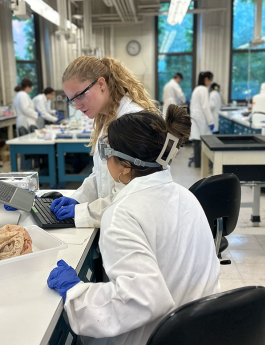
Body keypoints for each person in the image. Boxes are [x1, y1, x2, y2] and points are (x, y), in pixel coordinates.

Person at [47, 106, 220, 345]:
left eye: (107, 151)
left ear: (126, 165)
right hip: (198, 330)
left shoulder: (121, 214)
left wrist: (77, 293)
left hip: (154, 336)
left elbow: (141, 299)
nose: (105, 158)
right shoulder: (186, 196)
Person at [51, 56, 158, 228]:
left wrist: (83, 212)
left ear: (101, 84)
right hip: (114, 221)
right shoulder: (107, 118)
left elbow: (129, 194)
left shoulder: (130, 121)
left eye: (79, 96)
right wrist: (77, 199)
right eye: (72, 101)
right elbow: (100, 174)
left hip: (134, 227)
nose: (77, 106)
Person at [189, 71, 214, 168]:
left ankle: (198, 164)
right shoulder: (203, 89)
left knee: (196, 141)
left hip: (195, 118)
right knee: (208, 142)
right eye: (210, 80)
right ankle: (210, 164)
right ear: (206, 79)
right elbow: (205, 107)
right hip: (201, 119)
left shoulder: (196, 89)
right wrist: (211, 121)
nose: (211, 82)